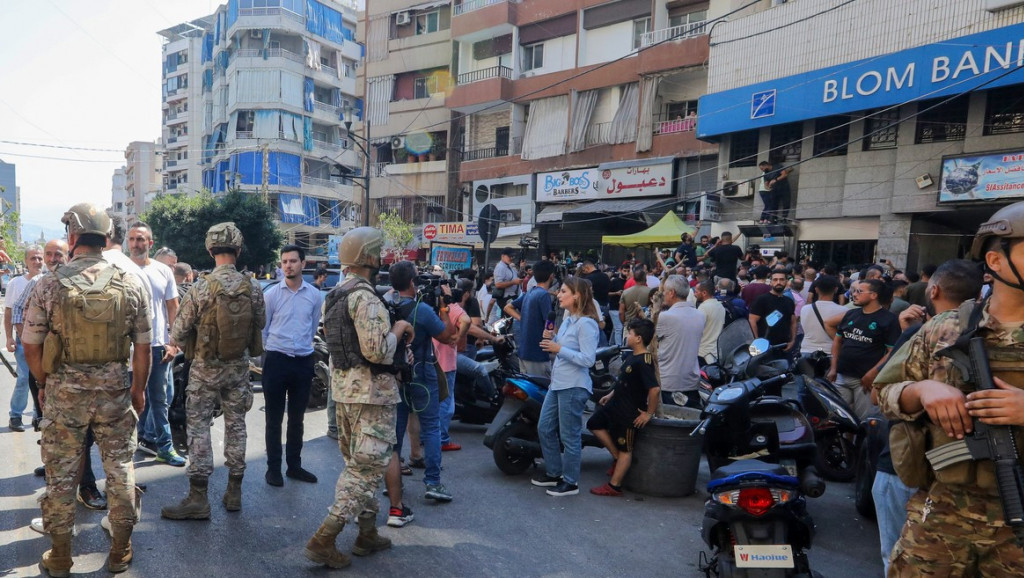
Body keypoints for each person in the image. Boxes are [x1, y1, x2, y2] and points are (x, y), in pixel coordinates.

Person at [874, 203, 1024, 575]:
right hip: (943, 516)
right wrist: (923, 390)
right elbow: (883, 393)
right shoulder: (945, 327)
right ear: (996, 259)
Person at [23, 203, 152, 575]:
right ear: (107, 237)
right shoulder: (131, 282)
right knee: (120, 470)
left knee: (61, 474)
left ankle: (61, 556)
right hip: (114, 395)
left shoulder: (49, 282)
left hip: (65, 395)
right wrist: (138, 391)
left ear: (72, 237)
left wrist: (46, 383)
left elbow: (31, 344)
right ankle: (120, 551)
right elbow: (143, 347)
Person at [307, 228, 413, 567]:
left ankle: (367, 532)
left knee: (359, 462)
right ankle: (325, 537)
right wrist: (399, 329)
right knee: (366, 470)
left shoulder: (336, 294)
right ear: (369, 257)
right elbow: (379, 351)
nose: (381, 259)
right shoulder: (365, 298)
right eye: (378, 252)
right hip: (372, 395)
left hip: (345, 392)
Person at [869, 260, 981, 575]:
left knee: (896, 555)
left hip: (910, 467)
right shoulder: (975, 329)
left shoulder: (927, 331)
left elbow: (877, 392)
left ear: (934, 290)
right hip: (965, 480)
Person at [162, 223, 266, 520]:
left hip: (205, 368)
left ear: (210, 250)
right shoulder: (253, 287)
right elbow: (260, 323)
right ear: (238, 249)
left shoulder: (200, 287)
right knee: (237, 426)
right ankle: (234, 491)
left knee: (198, 428)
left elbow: (179, 331)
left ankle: (198, 498)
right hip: (237, 368)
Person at [389, 260, 457, 503]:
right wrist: (445, 307)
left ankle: (392, 479)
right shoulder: (422, 310)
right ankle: (433, 483)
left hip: (395, 376)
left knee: (396, 430)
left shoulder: (387, 304)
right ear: (411, 282)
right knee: (430, 428)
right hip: (421, 374)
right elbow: (448, 336)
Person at [531, 277, 600, 497]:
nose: (558, 295)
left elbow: (588, 359)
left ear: (577, 295)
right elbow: (561, 347)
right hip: (558, 383)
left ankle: (570, 482)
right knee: (544, 427)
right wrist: (552, 338)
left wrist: (558, 348)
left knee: (569, 436)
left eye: (562, 291)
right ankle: (553, 472)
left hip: (573, 386)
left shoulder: (587, 324)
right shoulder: (569, 319)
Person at [262, 245, 322, 486]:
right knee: (274, 418)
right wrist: (277, 349)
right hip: (276, 360)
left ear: (303, 264)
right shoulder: (271, 295)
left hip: (303, 362)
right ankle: (273, 469)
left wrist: (299, 348)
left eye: (293, 261)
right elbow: (263, 331)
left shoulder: (315, 295)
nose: (288, 265)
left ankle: (294, 466)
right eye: (284, 261)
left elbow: (313, 324)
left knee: (297, 418)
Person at [127, 222, 185, 467]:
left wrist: (174, 342)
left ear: (150, 243)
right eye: (132, 239)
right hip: (126, 348)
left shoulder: (163, 270)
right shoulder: (119, 269)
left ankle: (165, 447)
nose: (136, 244)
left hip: (157, 345)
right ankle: (125, 452)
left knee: (160, 399)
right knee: (128, 400)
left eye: (141, 239)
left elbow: (173, 308)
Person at [588, 318, 660, 497]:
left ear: (638, 338)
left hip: (629, 412)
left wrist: (648, 414)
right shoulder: (631, 355)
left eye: (630, 333)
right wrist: (610, 394)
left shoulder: (644, 360)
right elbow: (624, 381)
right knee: (594, 423)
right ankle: (616, 458)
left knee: (625, 449)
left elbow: (654, 389)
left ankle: (614, 486)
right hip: (615, 405)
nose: (627, 336)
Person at [827, 278, 900, 420]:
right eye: (854, 291)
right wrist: (833, 367)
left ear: (874, 295)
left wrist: (872, 373)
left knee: (864, 421)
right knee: (839, 419)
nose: (854, 294)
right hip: (841, 376)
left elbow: (893, 352)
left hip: (864, 382)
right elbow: (837, 341)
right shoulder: (850, 314)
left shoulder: (889, 320)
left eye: (859, 291)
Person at [5, 245, 43, 432]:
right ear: (26, 261)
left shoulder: (46, 281)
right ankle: (16, 415)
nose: (37, 262)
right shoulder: (16, 283)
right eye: (33, 258)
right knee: (23, 378)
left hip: (44, 344)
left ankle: (39, 415)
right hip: (24, 342)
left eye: (39, 258)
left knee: (42, 380)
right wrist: (9, 338)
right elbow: (10, 312)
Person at [655, 276, 705, 408]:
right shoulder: (700, 315)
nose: (663, 294)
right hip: (691, 379)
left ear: (671, 293)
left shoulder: (665, 317)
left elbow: (650, 339)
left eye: (664, 291)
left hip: (669, 380)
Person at [504, 260, 556, 377]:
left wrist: (523, 319)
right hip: (537, 354)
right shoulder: (543, 295)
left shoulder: (530, 292)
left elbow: (508, 307)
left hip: (525, 351)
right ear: (551, 275)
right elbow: (550, 324)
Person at [434, 291, 468, 452]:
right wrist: (459, 336)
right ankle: (442, 440)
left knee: (430, 403)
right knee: (445, 405)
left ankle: (428, 437)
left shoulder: (425, 304)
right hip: (446, 363)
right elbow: (466, 321)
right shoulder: (451, 307)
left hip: (430, 361)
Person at [749, 270, 797, 351]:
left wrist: (792, 341)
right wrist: (757, 342)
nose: (778, 282)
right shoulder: (761, 300)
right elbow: (752, 321)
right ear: (770, 282)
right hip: (764, 347)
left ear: (786, 281)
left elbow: (793, 322)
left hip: (784, 346)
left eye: (782, 279)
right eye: (775, 280)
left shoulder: (789, 301)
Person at [799, 275, 846, 355]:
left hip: (807, 350)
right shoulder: (844, 311)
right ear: (836, 289)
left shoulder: (804, 309)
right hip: (830, 352)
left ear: (816, 290)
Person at [694, 279, 726, 364]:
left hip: (703, 353)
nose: (695, 294)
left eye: (697, 292)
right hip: (716, 352)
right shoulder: (720, 306)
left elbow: (696, 329)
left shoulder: (703, 308)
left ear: (704, 293)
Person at [487, 248, 520, 320]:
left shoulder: (509, 266)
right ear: (503, 256)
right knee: (508, 319)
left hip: (512, 295)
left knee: (509, 319)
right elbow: (498, 284)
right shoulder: (500, 267)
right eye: (509, 256)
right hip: (505, 297)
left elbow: (516, 276)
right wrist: (513, 282)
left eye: (512, 257)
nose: (511, 258)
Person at [619, 266, 651, 340]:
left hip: (629, 326)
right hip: (645, 326)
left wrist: (625, 323)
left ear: (634, 278)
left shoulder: (626, 292)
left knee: (627, 349)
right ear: (645, 278)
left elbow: (621, 311)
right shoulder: (650, 292)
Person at [608, 264, 628, 346]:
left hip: (622, 308)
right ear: (620, 270)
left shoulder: (628, 282)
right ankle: (618, 348)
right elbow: (607, 293)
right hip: (614, 307)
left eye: (628, 271)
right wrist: (616, 293)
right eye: (625, 271)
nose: (626, 273)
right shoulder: (614, 281)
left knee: (616, 328)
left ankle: (611, 344)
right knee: (619, 328)